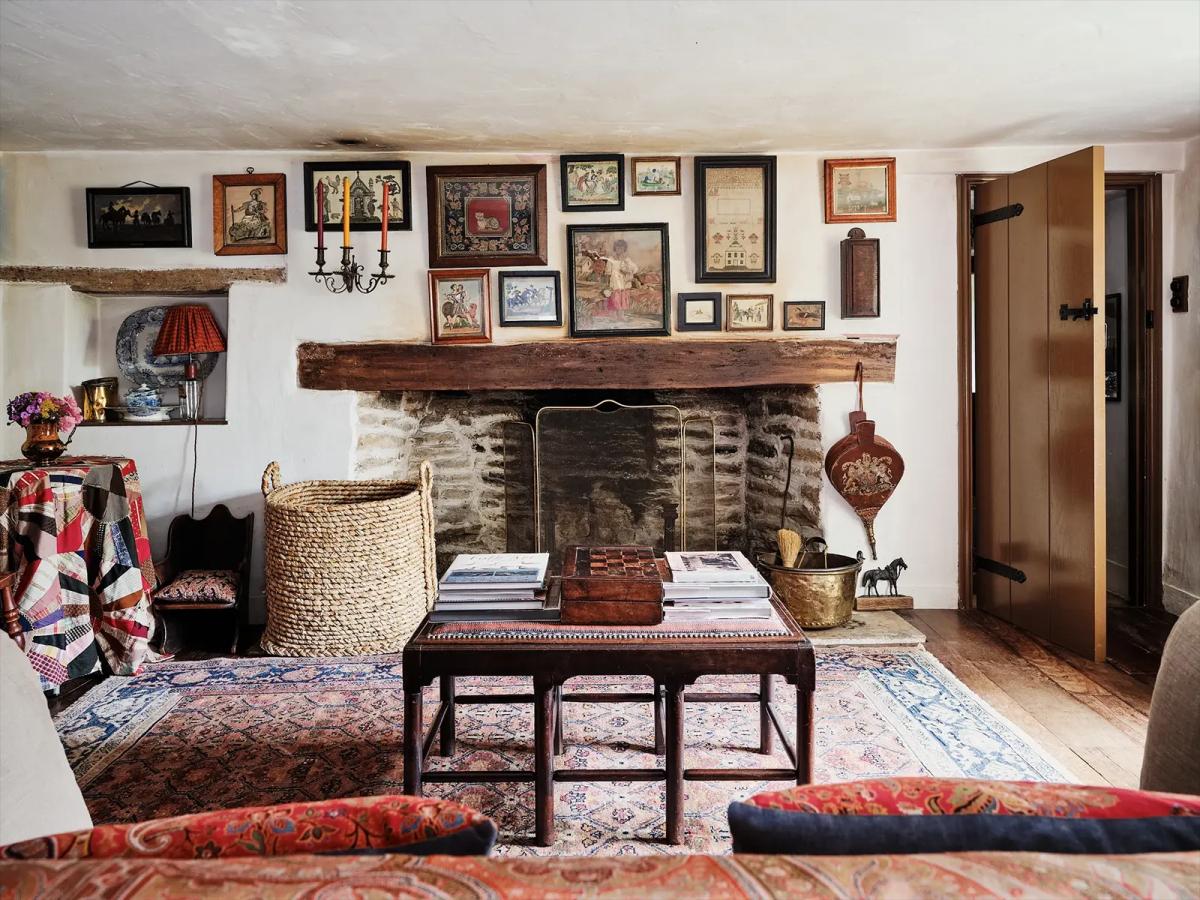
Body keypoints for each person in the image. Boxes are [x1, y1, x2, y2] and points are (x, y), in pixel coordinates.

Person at [598, 239, 638, 313]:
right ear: (615, 248)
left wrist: (628, 271)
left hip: (624, 283)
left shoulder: (627, 260)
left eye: (621, 247)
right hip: (615, 282)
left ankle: (621, 315)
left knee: (623, 298)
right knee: (616, 298)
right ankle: (616, 316)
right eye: (618, 247)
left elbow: (635, 269)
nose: (619, 249)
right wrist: (607, 285)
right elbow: (608, 273)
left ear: (624, 249)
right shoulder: (611, 259)